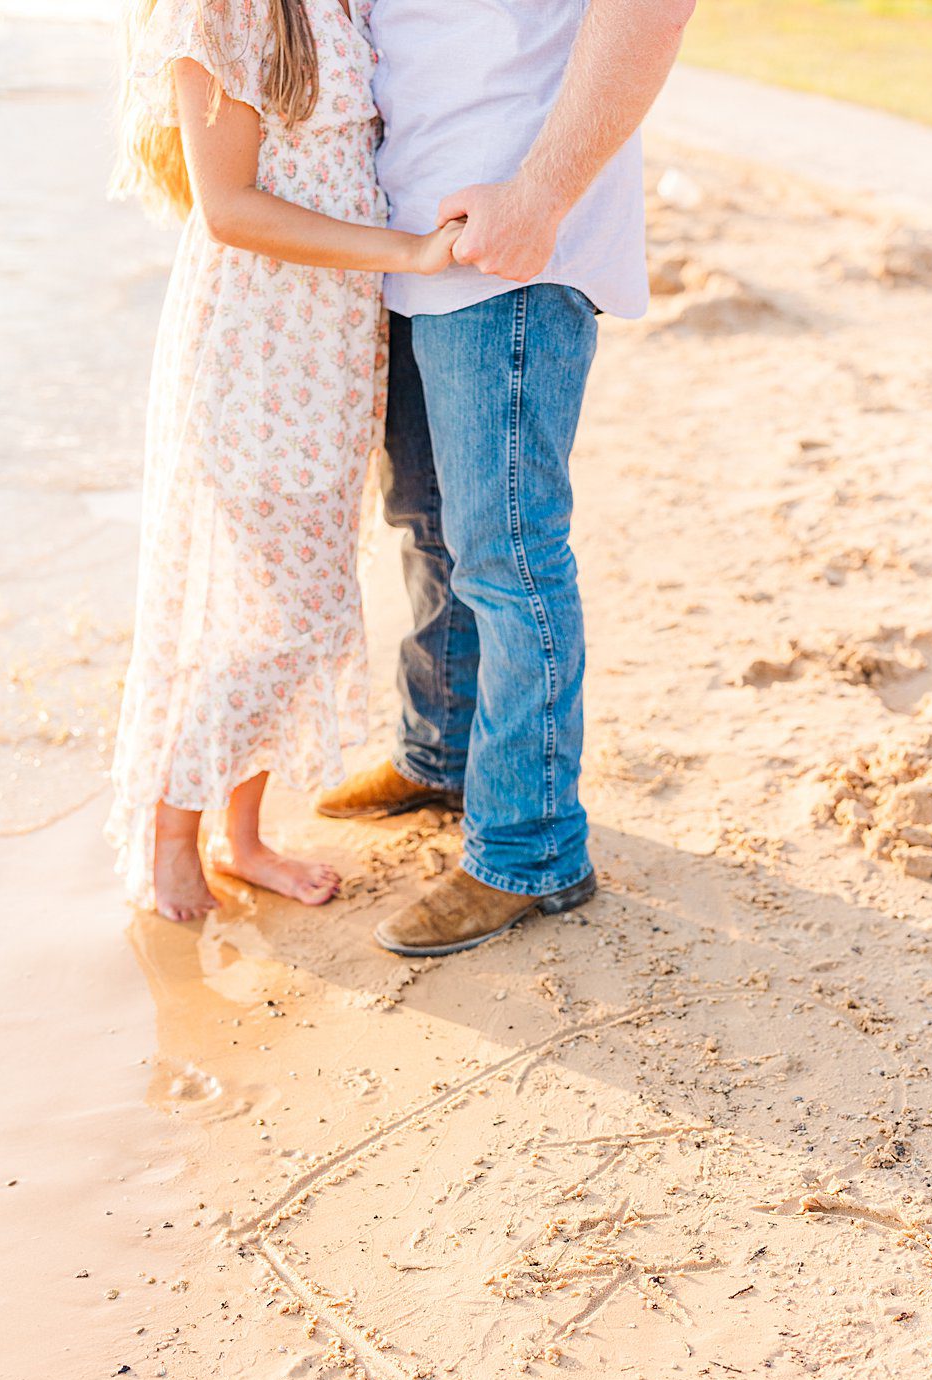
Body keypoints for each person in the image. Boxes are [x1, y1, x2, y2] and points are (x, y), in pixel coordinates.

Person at [317, 0, 694, 956]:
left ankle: (530, 852)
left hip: (510, 248)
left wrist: (541, 196)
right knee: (428, 525)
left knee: (509, 556)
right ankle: (442, 754)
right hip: (410, 242)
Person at [106, 0, 463, 922]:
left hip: (336, 349)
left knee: (288, 600)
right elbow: (226, 208)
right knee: (273, 610)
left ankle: (244, 835)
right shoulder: (219, 9)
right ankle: (173, 835)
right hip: (258, 346)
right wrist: (410, 252)